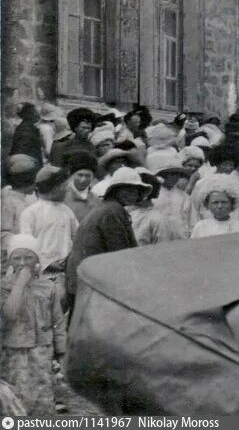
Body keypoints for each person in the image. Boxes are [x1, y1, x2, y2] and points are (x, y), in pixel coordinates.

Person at [0, 235, 66, 416]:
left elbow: (58, 322)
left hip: (41, 351)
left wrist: (61, 352)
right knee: (16, 400)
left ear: (37, 259)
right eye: (17, 258)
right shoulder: (3, 286)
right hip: (12, 352)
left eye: (28, 257)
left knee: (42, 398)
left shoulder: (48, 287)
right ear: (10, 260)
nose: (22, 262)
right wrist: (20, 283)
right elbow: (9, 314)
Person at [66, 167, 149, 310]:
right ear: (116, 191)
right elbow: (119, 252)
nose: (133, 194)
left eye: (135, 190)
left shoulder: (110, 208)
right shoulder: (112, 211)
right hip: (88, 280)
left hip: (83, 277)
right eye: (128, 189)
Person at [19, 166, 79, 275]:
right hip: (40, 274)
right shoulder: (31, 212)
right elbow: (26, 246)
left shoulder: (66, 210)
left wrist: (70, 259)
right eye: (64, 186)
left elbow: (77, 236)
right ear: (53, 187)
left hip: (65, 271)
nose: (67, 190)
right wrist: (47, 263)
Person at [129, 169, 182, 245]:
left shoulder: (157, 220)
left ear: (145, 193)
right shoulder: (129, 213)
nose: (130, 194)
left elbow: (162, 248)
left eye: (134, 190)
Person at [190, 174, 239, 239]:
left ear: (232, 204)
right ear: (207, 205)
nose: (220, 206)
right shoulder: (201, 226)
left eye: (224, 202)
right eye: (215, 203)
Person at [1, 155, 39, 248]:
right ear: (26, 182)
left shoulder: (29, 198)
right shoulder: (7, 202)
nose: (37, 186)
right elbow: (3, 234)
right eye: (35, 182)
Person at [61, 151, 99, 223]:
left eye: (87, 176)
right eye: (80, 175)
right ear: (72, 175)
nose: (83, 180)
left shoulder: (96, 199)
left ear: (93, 177)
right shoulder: (62, 196)